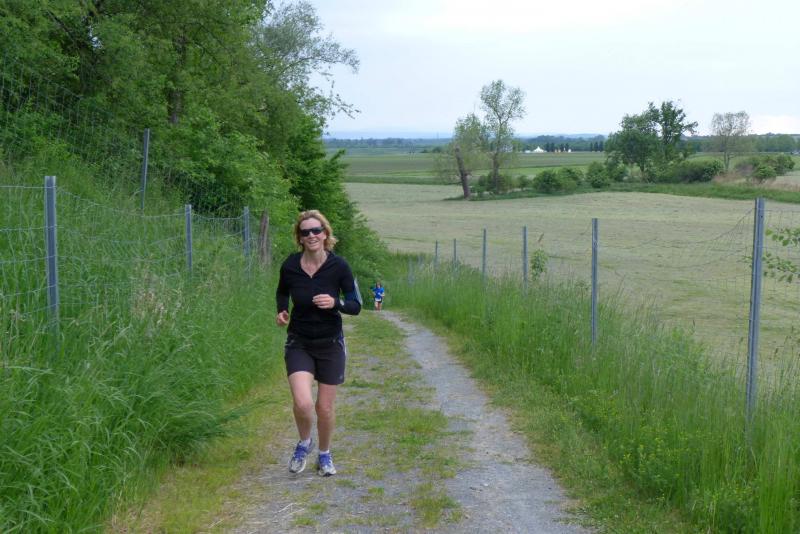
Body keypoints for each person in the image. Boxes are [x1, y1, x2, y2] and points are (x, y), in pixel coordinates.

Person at [275, 209, 361, 477]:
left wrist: (335, 302)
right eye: (305, 232)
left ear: (325, 234)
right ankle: (304, 443)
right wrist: (282, 310)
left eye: (316, 230)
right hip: (299, 342)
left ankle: (324, 454)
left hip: (330, 343)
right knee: (303, 403)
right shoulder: (290, 265)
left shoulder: (339, 266)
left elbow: (356, 305)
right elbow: (282, 292)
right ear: (299, 238)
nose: (311, 235)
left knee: (324, 408)